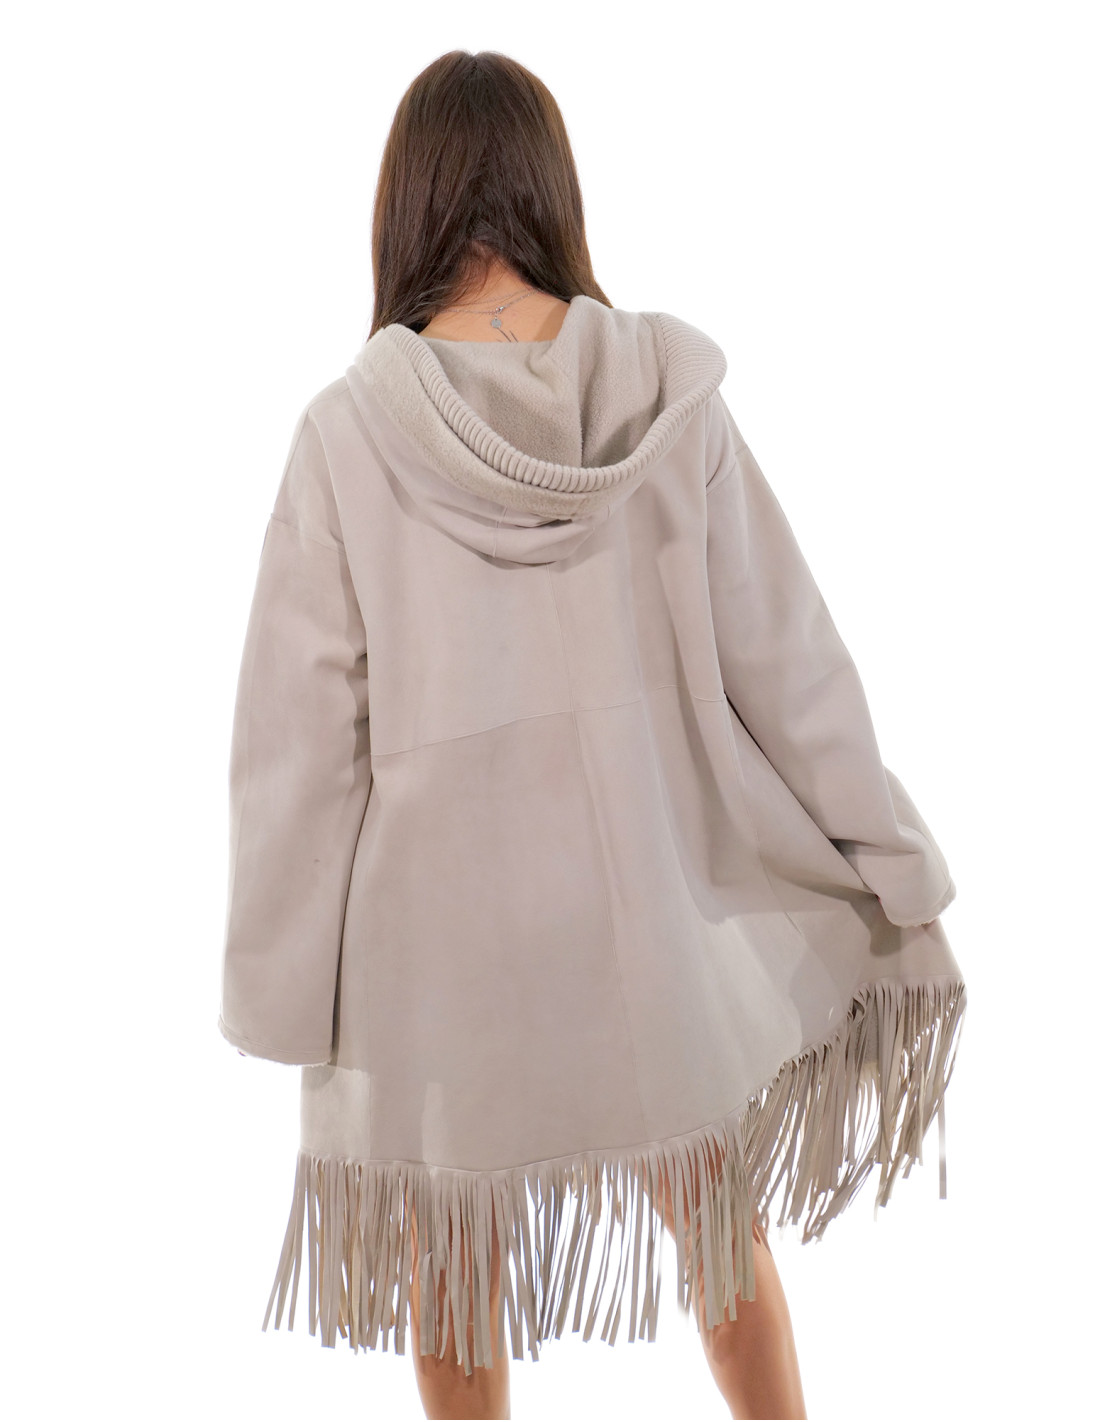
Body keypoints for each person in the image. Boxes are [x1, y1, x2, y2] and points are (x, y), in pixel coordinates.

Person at [219, 49, 966, 1422]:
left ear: (407, 203)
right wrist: (891, 858)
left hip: (438, 957)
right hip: (647, 932)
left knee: (454, 1288)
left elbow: (298, 755)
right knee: (721, 1242)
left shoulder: (345, 437)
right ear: (551, 190)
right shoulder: (666, 402)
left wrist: (281, 991)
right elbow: (791, 663)